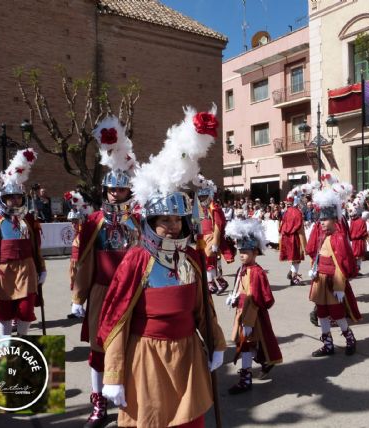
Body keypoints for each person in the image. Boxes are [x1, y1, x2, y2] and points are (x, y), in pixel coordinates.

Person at [98, 106, 226, 428]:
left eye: (175, 220)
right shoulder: (137, 260)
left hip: (188, 357)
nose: (170, 226)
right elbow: (116, 321)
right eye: (162, 220)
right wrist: (113, 373)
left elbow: (203, 309)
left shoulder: (192, 260)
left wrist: (216, 343)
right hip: (148, 359)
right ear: (150, 223)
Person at [70, 116, 140, 428]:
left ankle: (132, 401)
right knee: (99, 351)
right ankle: (98, 406)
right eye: (111, 190)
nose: (115, 194)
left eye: (120, 190)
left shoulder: (140, 220)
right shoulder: (93, 220)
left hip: (134, 293)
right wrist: (78, 296)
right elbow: (83, 259)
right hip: (101, 291)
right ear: (105, 191)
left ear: (129, 192)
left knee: (134, 348)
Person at [0, 149, 46, 336]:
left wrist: (42, 268)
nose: (15, 200)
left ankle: (22, 341)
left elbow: (36, 248)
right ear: (4, 199)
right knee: (4, 315)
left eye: (18, 197)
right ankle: (5, 345)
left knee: (25, 312)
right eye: (11, 197)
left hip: (27, 271)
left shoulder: (29, 220)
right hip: (2, 273)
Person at [224, 219, 282, 394]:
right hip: (242, 312)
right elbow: (240, 289)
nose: (241, 255)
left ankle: (246, 379)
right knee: (247, 344)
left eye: (246, 251)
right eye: (240, 251)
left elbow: (258, 299)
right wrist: (234, 299)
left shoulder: (256, 272)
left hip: (252, 316)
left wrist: (249, 321)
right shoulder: (242, 269)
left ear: (255, 252)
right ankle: (263, 362)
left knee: (246, 345)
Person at [308, 184, 361, 357]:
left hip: (333, 282)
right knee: (322, 313)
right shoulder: (322, 236)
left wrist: (339, 287)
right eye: (320, 220)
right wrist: (314, 269)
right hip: (320, 280)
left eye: (325, 219)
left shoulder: (338, 238)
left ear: (334, 220)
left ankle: (350, 339)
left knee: (337, 314)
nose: (322, 222)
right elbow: (318, 255)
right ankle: (328, 344)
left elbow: (342, 264)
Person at [195, 175, 235, 295]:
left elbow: (218, 224)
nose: (202, 198)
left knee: (208, 261)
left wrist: (216, 243)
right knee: (205, 261)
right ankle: (218, 282)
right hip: (202, 237)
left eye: (204, 196)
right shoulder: (202, 207)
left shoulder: (214, 207)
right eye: (200, 196)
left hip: (211, 237)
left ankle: (212, 284)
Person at [279, 187, 308, 286]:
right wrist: (304, 244)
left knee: (294, 258)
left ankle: (292, 272)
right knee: (297, 258)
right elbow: (300, 228)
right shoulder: (297, 212)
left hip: (287, 237)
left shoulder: (286, 212)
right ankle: (294, 278)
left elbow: (282, 226)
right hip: (295, 237)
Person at [347, 194, 369, 274]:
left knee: (358, 256)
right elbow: (351, 230)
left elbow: (363, 231)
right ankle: (354, 269)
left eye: (353, 215)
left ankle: (357, 269)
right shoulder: (352, 221)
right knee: (355, 256)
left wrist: (355, 236)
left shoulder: (361, 221)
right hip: (354, 241)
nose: (352, 217)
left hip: (359, 241)